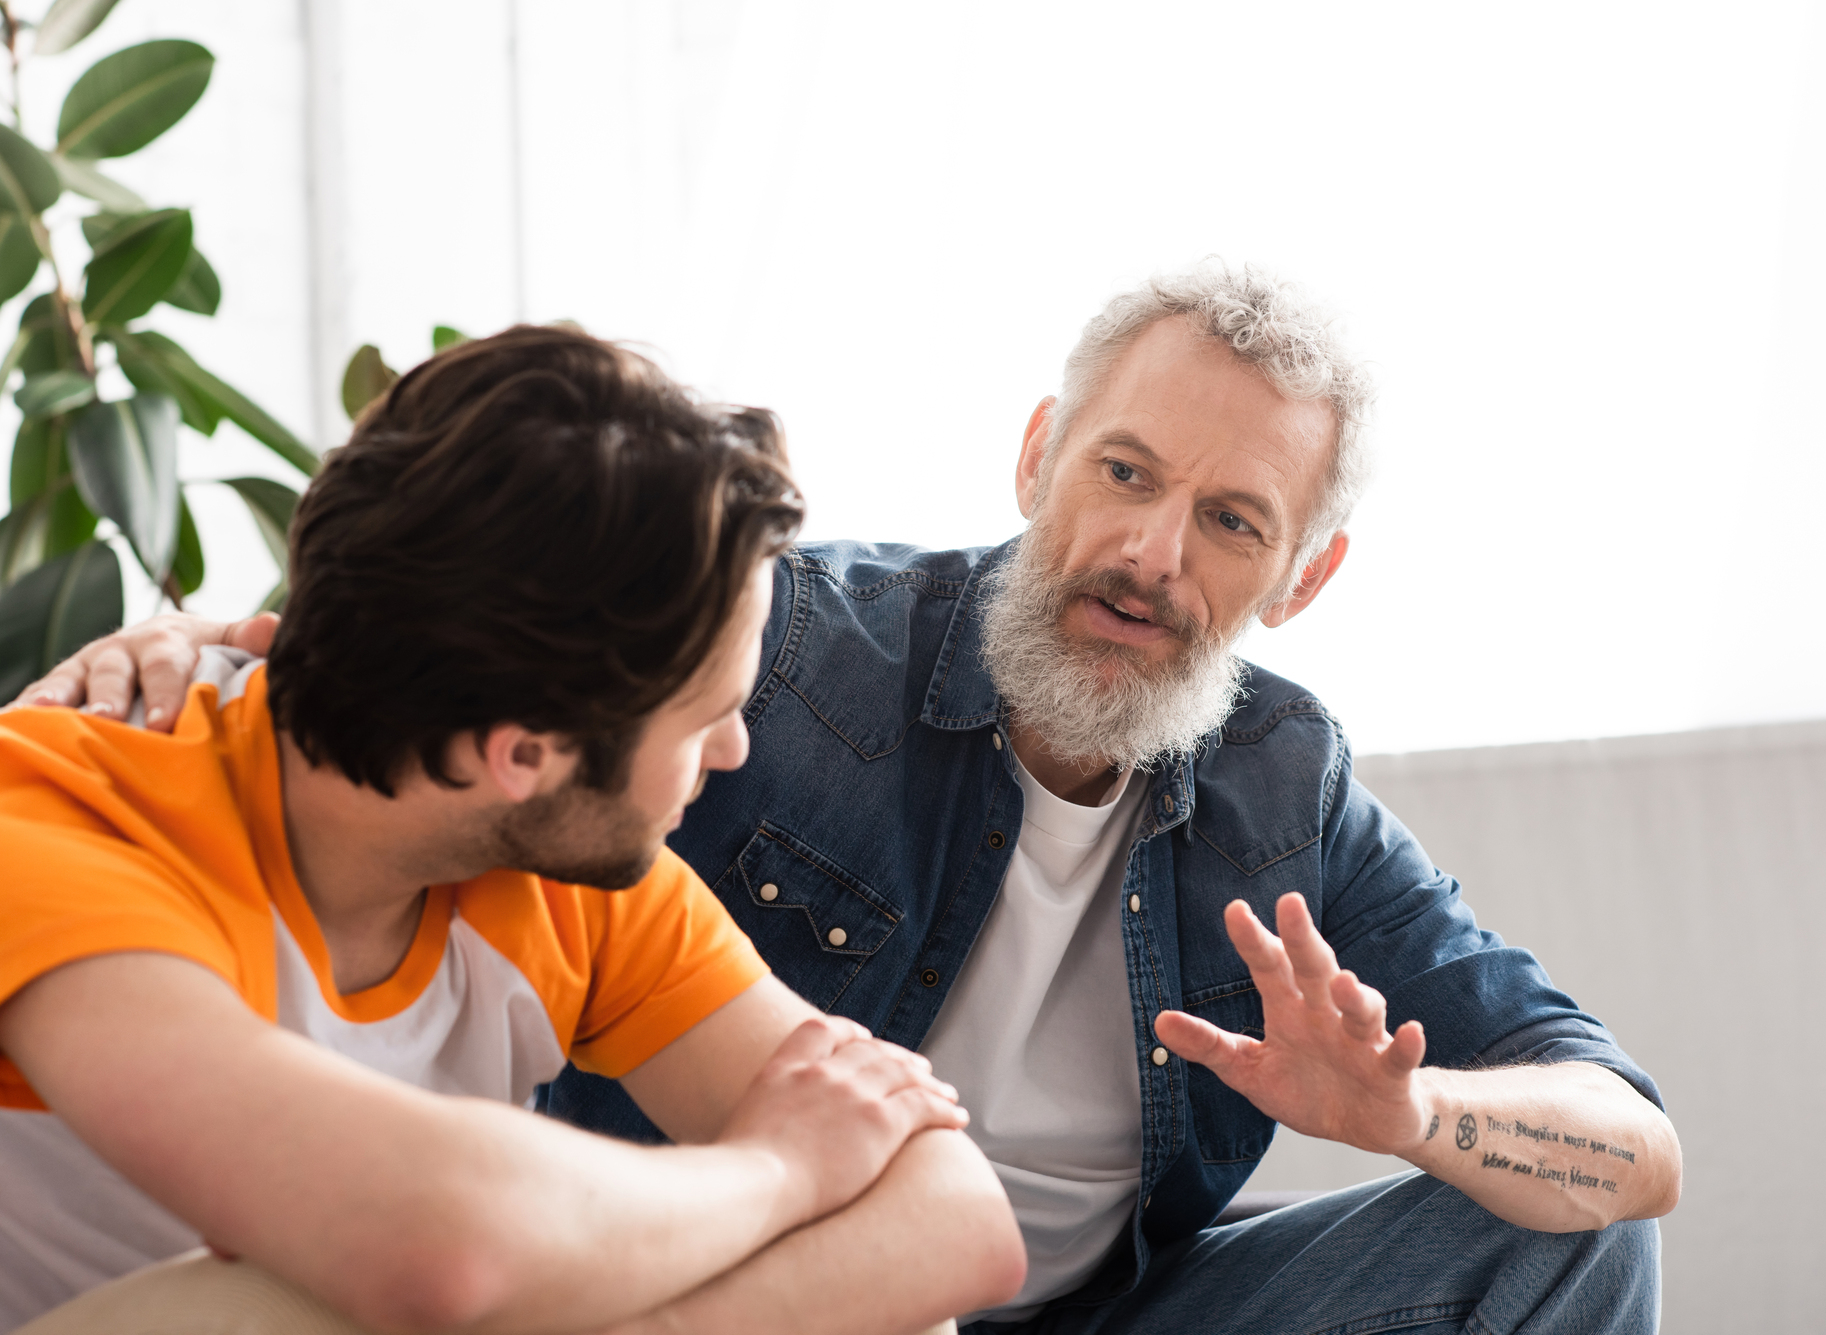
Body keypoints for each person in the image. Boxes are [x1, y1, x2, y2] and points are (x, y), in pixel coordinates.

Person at [22, 263, 1681, 1334]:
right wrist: (199, 641)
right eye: (1124, 474)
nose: (1152, 557)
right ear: (1038, 456)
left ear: (1303, 577)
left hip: (1034, 1302)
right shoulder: (778, 646)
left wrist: (1410, 1120)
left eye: (1233, 522)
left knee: (1563, 1234)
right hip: (754, 1287)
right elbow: (487, 593)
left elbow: (1632, 1146)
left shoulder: (1282, 785)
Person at [0, 328, 1024, 1334]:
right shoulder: (60, 819)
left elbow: (960, 1226)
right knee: (273, 1302)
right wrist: (780, 1166)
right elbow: (436, 1250)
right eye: (707, 714)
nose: (731, 755)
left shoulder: (560, 862)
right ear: (523, 755)